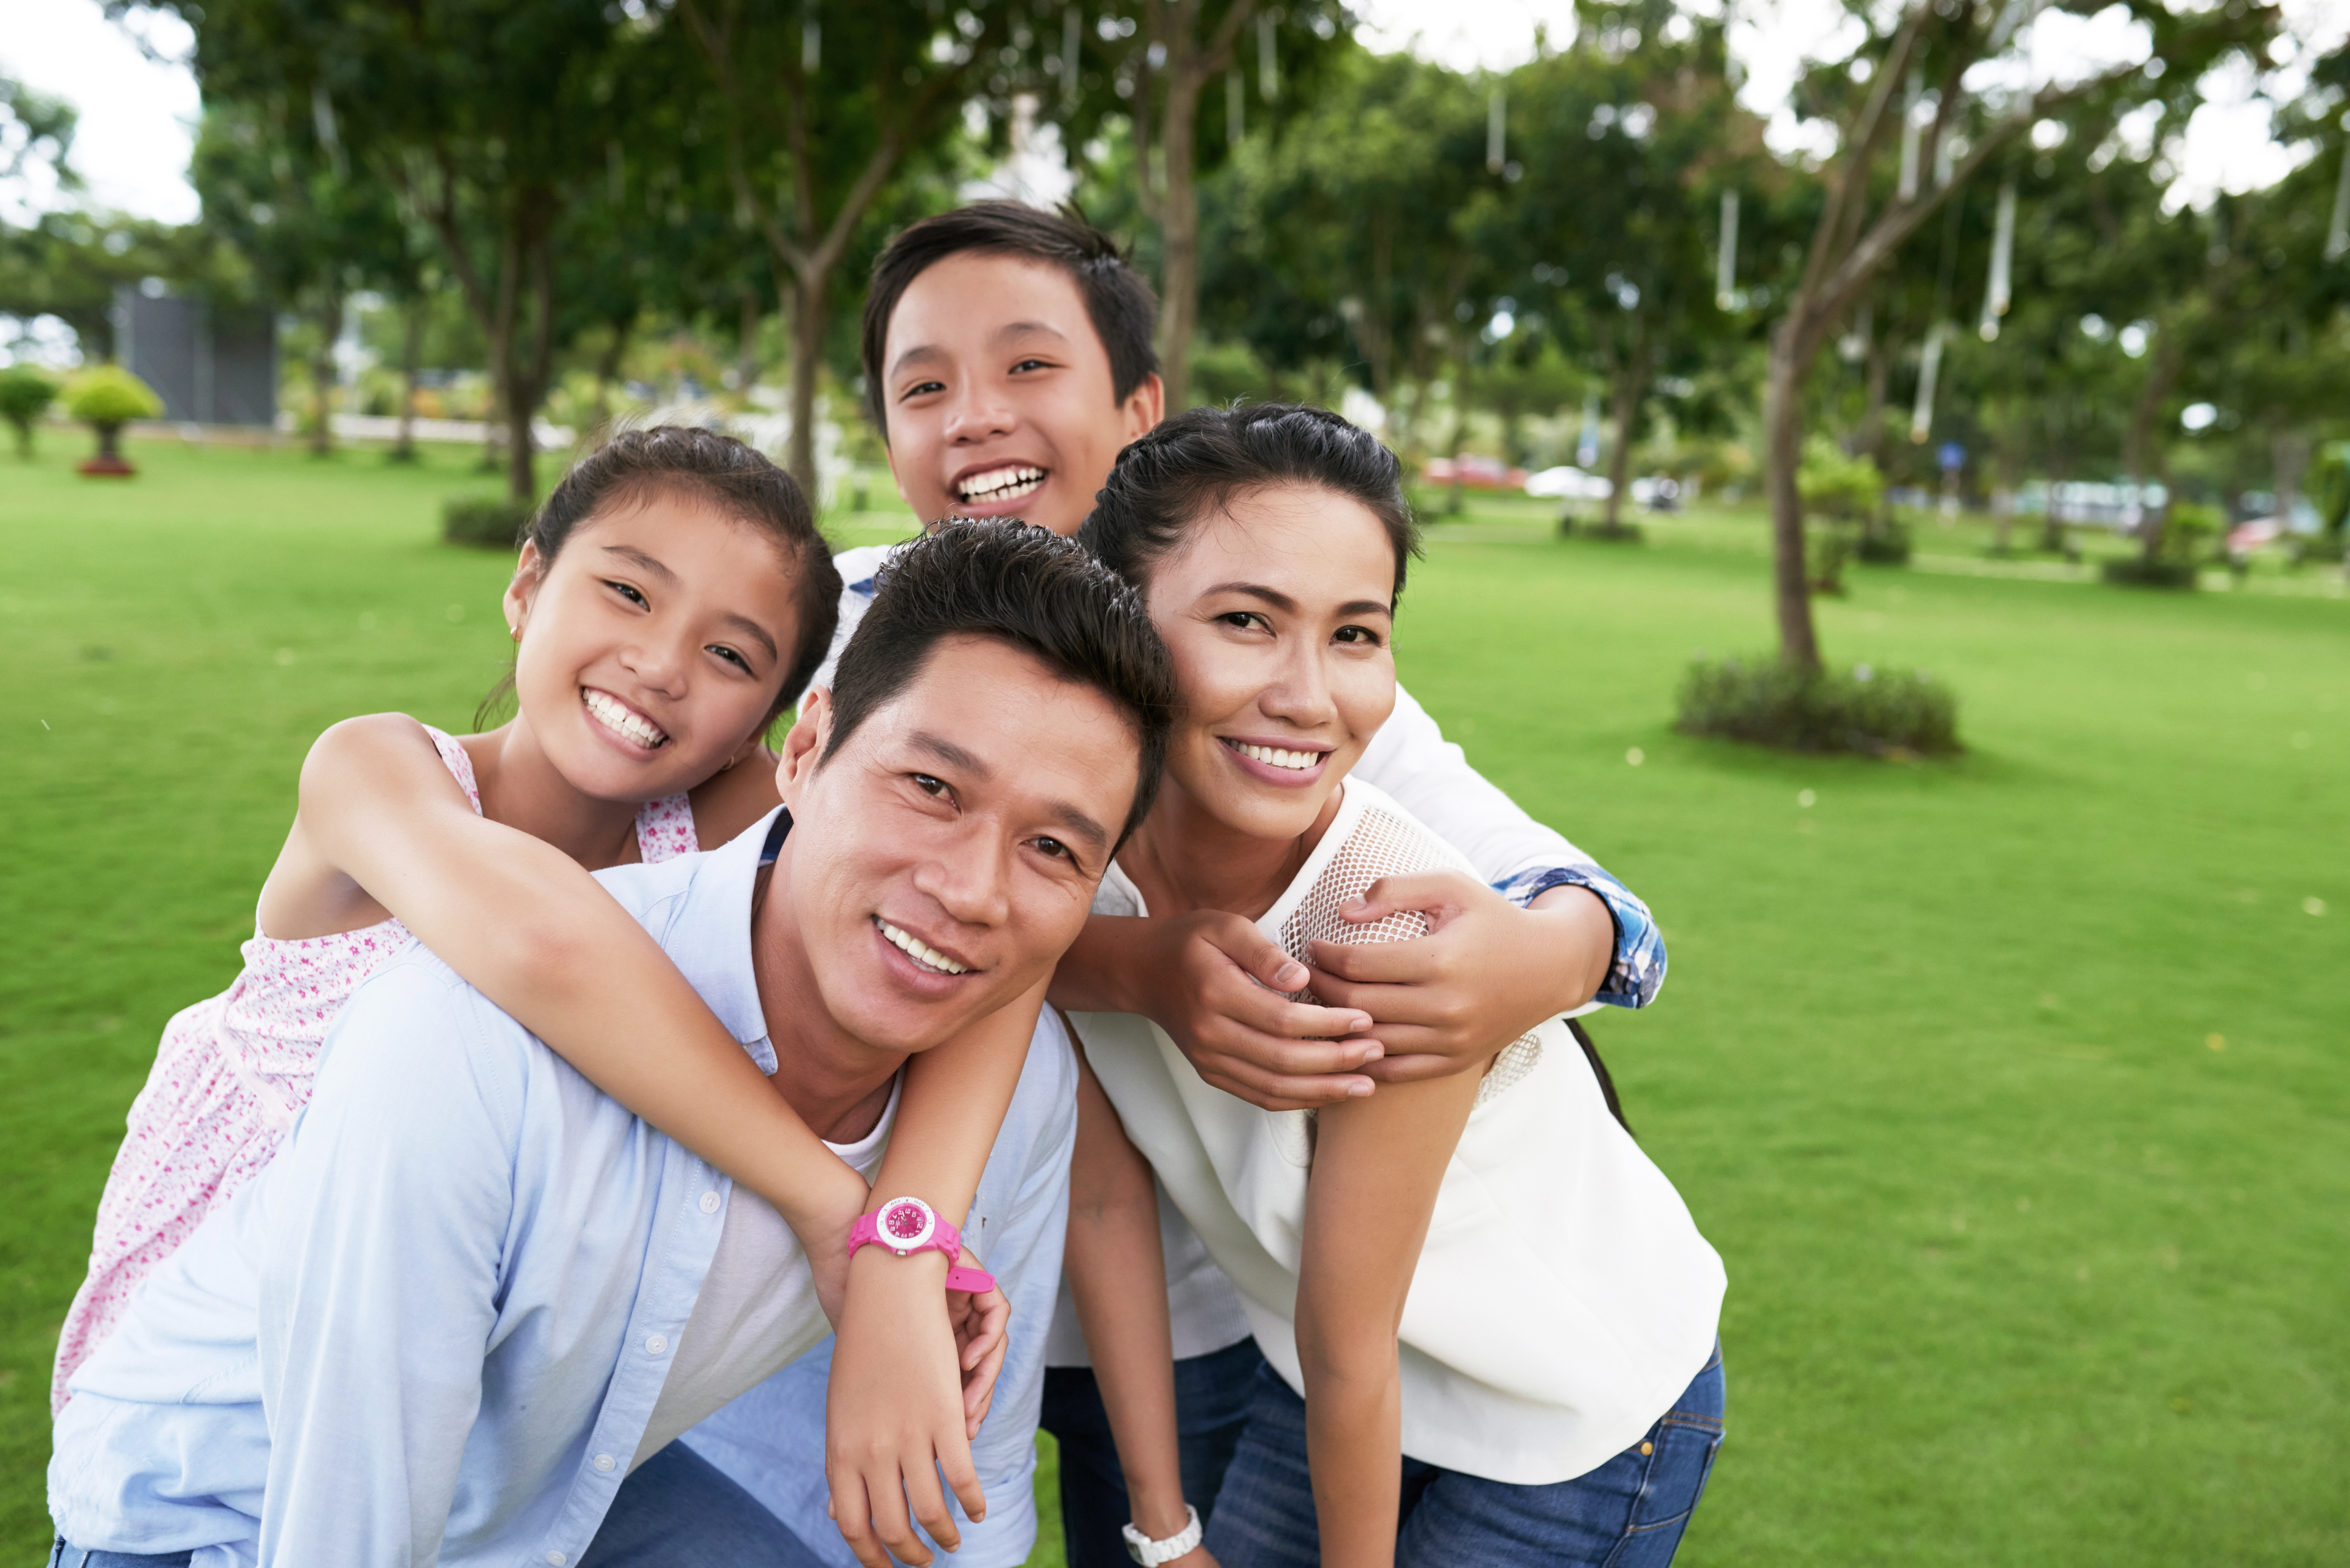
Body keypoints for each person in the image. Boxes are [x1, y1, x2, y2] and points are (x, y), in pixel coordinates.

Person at [44, 521, 1179, 1568]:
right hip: (225, 1508)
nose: (971, 891)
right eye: (931, 786)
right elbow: (346, 1525)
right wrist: (858, 1223)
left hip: (554, 1485)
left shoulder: (1005, 1084)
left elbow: (965, 1499)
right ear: (808, 749)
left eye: (1052, 849)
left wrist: (899, 1238)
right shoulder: (466, 1044)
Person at [835, 200, 1670, 1562]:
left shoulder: (1305, 733)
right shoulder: (869, 652)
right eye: (925, 383)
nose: (977, 415)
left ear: (1134, 408)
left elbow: (1553, 887)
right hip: (1145, 1312)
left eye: (1030, 365)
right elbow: (766, 873)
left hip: (1448, 1368)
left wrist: (1531, 966)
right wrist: (1132, 968)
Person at [1061, 404, 1726, 1568]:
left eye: (1356, 633)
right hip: (1327, 1371)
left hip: (1567, 1404)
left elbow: (1351, 1339)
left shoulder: (1389, 919)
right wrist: (1164, 1536)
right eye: (1245, 621)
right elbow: (1106, 1203)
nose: (1309, 695)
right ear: (1118, 620)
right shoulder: (1068, 861)